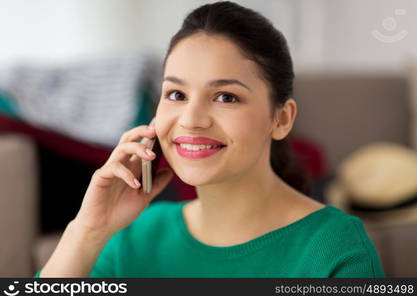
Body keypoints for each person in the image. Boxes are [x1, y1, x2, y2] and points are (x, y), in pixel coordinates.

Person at [34, 1, 385, 278]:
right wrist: (88, 230)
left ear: (281, 118)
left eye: (225, 97)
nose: (191, 120)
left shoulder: (336, 248)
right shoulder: (133, 236)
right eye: (176, 94)